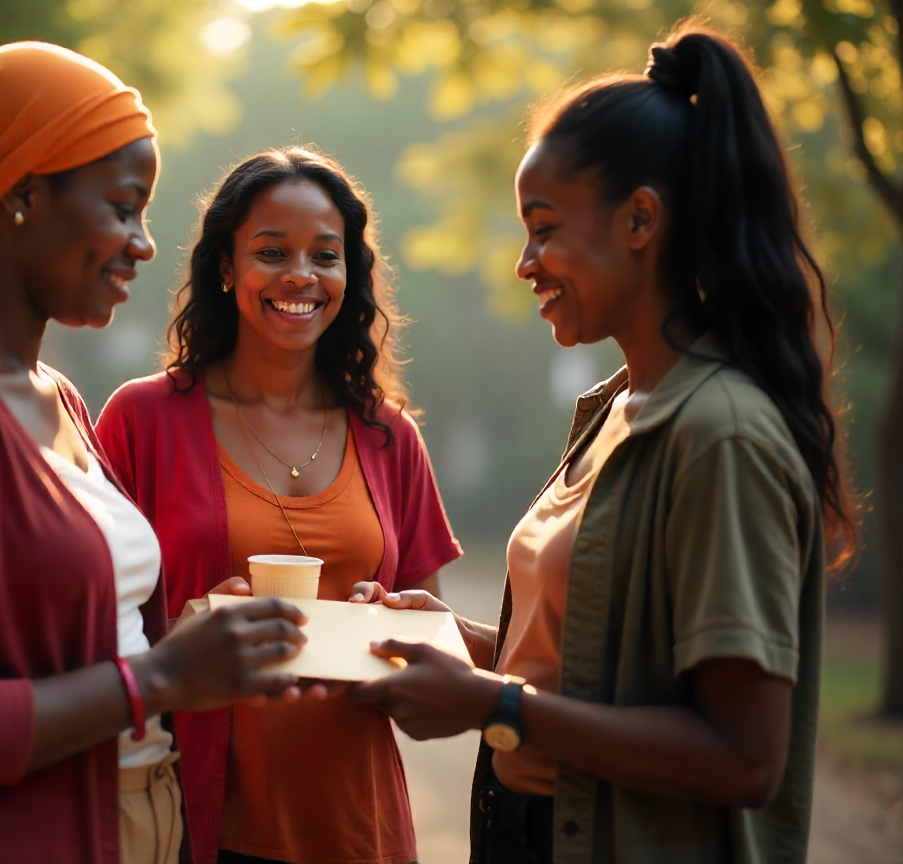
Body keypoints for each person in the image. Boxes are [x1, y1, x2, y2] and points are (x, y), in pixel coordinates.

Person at [347, 21, 858, 864]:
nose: (525, 262)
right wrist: (456, 642)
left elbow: (743, 755)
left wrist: (492, 706)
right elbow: (595, 659)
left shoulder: (720, 435)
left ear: (640, 220)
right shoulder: (618, 407)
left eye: (544, 227)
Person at [0, 43, 311, 864]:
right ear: (21, 194)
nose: (144, 244)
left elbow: (62, 630)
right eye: (123, 207)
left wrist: (194, 642)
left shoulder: (58, 399)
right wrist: (154, 682)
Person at [95, 147, 463, 864]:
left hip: (360, 828)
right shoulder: (141, 420)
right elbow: (93, 637)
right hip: (195, 826)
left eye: (325, 255)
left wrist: (387, 641)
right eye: (271, 251)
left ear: (348, 274)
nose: (301, 275)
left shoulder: (389, 435)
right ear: (227, 268)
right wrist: (195, 634)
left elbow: (432, 642)